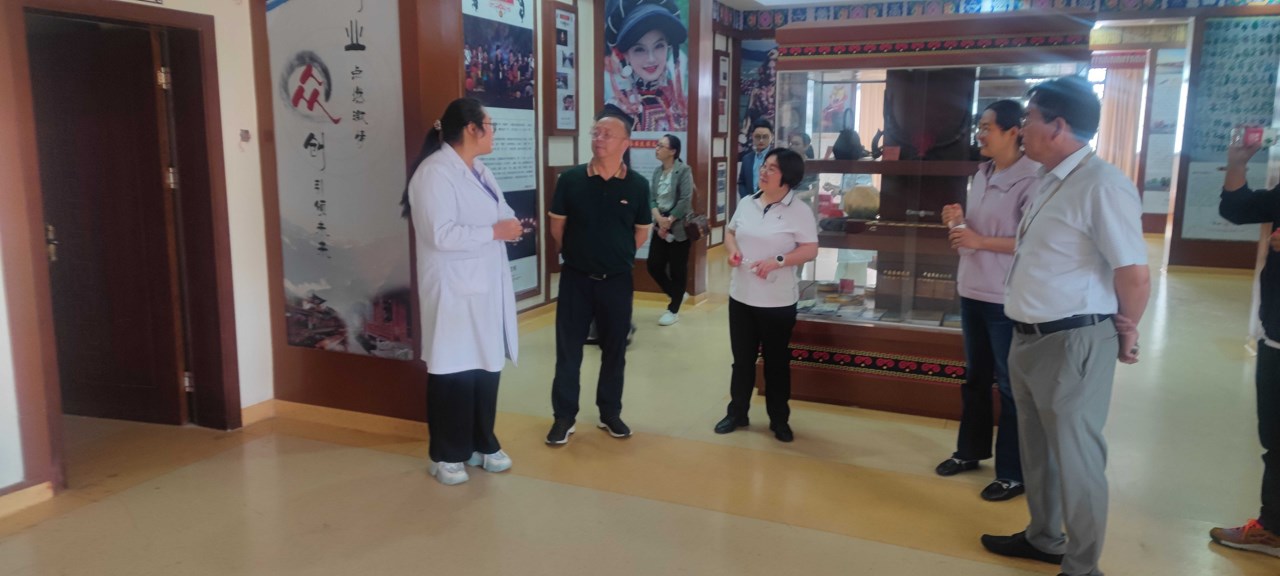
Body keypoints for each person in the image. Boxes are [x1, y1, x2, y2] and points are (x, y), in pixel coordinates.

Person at [980, 76, 1150, 576]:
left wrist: (1128, 330)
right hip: (1028, 337)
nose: (1022, 128)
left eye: (1028, 118)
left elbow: (1133, 273)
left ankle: (1082, 566)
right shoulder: (1051, 179)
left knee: (1077, 460)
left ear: (1057, 126)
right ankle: (1043, 536)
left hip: (1073, 340)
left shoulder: (1103, 185)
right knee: (1038, 453)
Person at [400, 97, 522, 486]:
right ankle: (446, 454)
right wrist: (494, 232)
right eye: (490, 124)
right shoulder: (434, 173)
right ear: (472, 129)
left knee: (485, 365)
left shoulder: (481, 170)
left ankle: (482, 443)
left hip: (485, 287)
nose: (493, 132)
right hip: (453, 289)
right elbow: (439, 234)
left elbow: (502, 211)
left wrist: (509, 227)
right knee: (453, 369)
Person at [935, 100, 1039, 502]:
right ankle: (969, 451)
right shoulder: (981, 173)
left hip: (1004, 297)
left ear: (1014, 132)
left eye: (987, 127)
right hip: (972, 290)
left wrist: (979, 240)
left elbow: (1033, 242)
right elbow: (973, 238)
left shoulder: (1032, 178)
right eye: (979, 126)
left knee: (1011, 387)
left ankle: (1013, 473)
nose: (980, 134)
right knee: (975, 378)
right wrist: (957, 222)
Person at [546, 108, 653, 445]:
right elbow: (557, 227)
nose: (599, 139)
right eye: (596, 133)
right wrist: (579, 254)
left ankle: (610, 413)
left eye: (607, 134)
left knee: (614, 350)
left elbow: (641, 232)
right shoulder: (571, 180)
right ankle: (564, 417)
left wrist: (615, 255)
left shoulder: (638, 185)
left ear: (625, 142)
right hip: (576, 279)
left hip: (617, 281)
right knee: (568, 351)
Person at [715, 148, 819, 443]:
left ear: (787, 177)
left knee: (776, 363)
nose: (763, 171)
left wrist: (778, 261)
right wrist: (733, 251)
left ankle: (779, 419)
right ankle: (737, 413)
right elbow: (731, 233)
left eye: (772, 168)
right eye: (764, 166)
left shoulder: (799, 211)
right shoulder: (747, 202)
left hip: (777, 301)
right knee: (742, 361)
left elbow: (810, 249)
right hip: (741, 296)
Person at [1209, 139, 1280, 558]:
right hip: (1276, 335)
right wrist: (1236, 164)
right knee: (1275, 438)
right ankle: (1273, 529)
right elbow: (1239, 209)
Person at [603, 0, 688, 132]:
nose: (651, 58)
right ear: (625, 55)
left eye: (659, 46)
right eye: (639, 49)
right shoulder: (615, 110)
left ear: (668, 47)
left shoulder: (683, 105)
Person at [647, 134, 695, 327]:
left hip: (678, 226)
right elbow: (651, 198)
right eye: (657, 145)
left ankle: (673, 310)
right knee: (654, 265)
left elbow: (685, 199)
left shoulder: (683, 170)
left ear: (673, 151)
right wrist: (659, 219)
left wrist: (669, 220)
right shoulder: (657, 172)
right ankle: (677, 294)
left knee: (677, 269)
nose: (657, 149)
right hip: (660, 224)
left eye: (661, 146)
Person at [738, 120, 774, 198]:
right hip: (750, 201)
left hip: (770, 201)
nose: (761, 140)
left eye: (765, 137)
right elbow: (741, 182)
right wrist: (746, 199)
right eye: (757, 137)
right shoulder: (746, 159)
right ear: (752, 137)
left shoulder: (777, 157)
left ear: (772, 137)